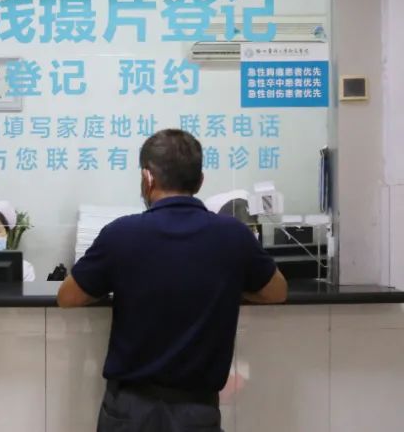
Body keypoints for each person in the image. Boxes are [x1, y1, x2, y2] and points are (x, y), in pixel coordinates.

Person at [58, 129, 287, 432]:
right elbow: (276, 292)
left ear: (147, 178)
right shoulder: (233, 235)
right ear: (200, 181)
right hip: (198, 412)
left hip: (130, 411)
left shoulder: (121, 234)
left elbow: (68, 297)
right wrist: (230, 284)